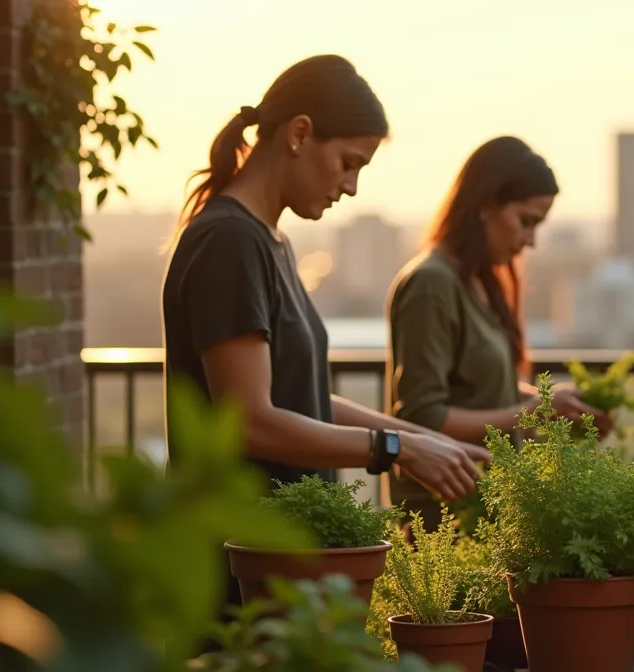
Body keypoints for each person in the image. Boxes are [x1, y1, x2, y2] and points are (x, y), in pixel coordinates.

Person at [161, 55, 489, 561]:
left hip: (281, 557)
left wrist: (423, 441)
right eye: (348, 163)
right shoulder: (229, 242)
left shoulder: (270, 241)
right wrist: (394, 450)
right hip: (236, 563)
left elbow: (302, 399)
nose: (351, 186)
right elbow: (247, 420)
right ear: (299, 133)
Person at [383, 136, 611, 532]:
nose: (530, 240)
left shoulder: (476, 281)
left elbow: (481, 390)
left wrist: (557, 405)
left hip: (487, 505)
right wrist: (537, 410)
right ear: (485, 205)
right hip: (444, 518)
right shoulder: (431, 284)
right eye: (526, 221)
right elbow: (423, 416)